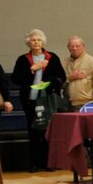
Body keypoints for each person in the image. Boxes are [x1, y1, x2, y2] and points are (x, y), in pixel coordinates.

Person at [12, 30, 68, 170]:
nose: (36, 42)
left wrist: (46, 82)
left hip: (48, 100)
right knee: (34, 131)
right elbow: (16, 79)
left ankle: (49, 163)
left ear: (43, 42)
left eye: (38, 40)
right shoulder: (23, 59)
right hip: (30, 100)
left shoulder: (52, 57)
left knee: (48, 131)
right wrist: (32, 69)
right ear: (28, 43)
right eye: (33, 40)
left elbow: (61, 78)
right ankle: (34, 163)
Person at [63, 37, 93, 109]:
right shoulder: (65, 63)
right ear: (68, 48)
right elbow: (61, 82)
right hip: (69, 104)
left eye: (77, 46)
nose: (74, 48)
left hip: (88, 103)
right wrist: (71, 77)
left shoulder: (92, 62)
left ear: (83, 46)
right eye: (72, 46)